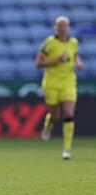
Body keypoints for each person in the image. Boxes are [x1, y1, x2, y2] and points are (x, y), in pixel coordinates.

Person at [35, 16, 84, 159]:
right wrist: (56, 60)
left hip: (68, 81)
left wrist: (79, 64)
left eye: (66, 25)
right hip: (52, 83)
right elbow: (38, 64)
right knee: (55, 116)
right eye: (60, 26)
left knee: (68, 113)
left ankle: (67, 150)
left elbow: (75, 57)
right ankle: (48, 123)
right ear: (55, 28)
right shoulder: (49, 43)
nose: (63, 28)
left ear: (69, 27)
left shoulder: (74, 42)